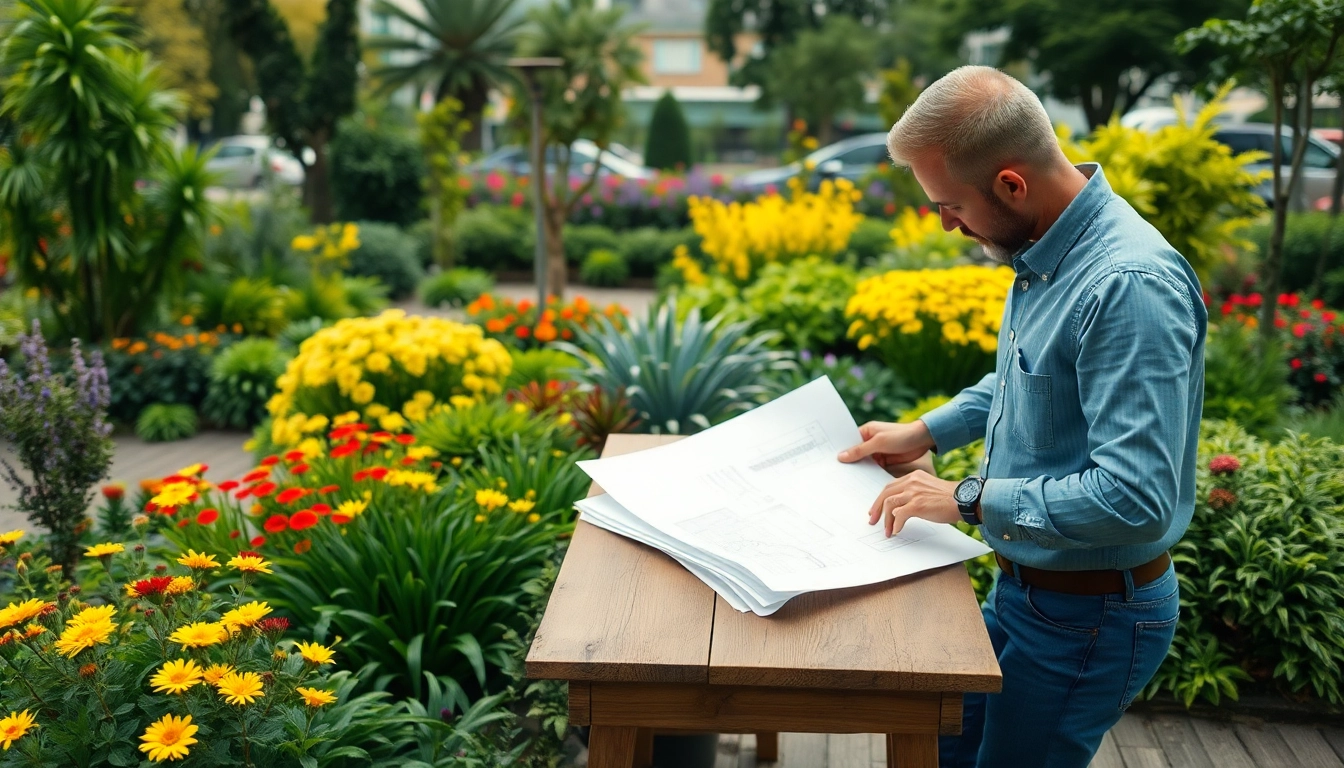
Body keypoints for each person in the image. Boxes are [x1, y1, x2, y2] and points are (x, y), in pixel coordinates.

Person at [837, 66, 1206, 768]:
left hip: (1089, 619)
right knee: (941, 751)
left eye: (950, 205)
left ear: (1011, 184)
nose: (946, 223)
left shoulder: (1127, 286)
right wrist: (926, 432)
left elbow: (1136, 499)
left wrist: (965, 498)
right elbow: (1026, 380)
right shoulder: (1047, 250)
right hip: (1024, 592)